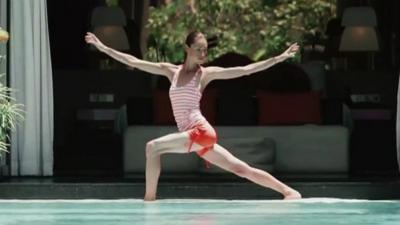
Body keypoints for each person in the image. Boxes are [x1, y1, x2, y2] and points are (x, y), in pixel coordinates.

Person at [85, 31, 302, 201]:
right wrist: (103, 47)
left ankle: (149, 200)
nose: (203, 54)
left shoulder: (205, 74)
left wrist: (279, 58)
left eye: (205, 50)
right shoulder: (170, 71)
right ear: (187, 48)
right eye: (198, 49)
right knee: (240, 168)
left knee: (152, 147)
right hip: (196, 138)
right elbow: (133, 62)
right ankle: (289, 192)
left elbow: (245, 70)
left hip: (201, 132)